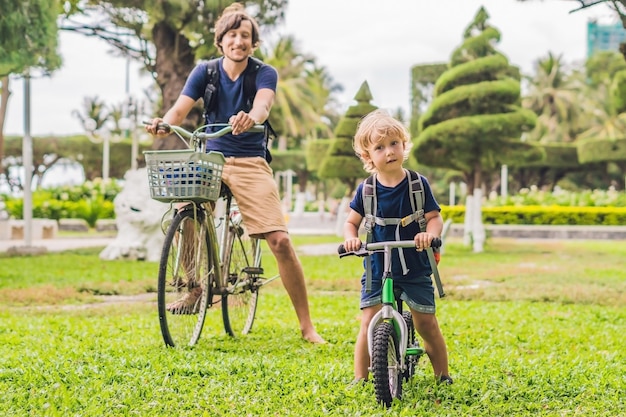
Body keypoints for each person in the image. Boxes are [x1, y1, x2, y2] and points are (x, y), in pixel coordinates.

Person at [145, 3, 324, 344]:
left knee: (280, 241)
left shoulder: (263, 72)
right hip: (210, 157)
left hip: (249, 161)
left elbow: (263, 105)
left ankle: (307, 327)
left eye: (245, 36)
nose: (238, 41)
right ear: (221, 41)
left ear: (253, 44)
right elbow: (180, 109)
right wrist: (165, 124)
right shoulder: (205, 72)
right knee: (186, 211)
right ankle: (194, 286)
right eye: (232, 35)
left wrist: (250, 118)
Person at [342, 109, 452, 384]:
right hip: (378, 267)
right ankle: (360, 378)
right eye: (379, 147)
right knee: (368, 322)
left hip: (414, 265)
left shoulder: (417, 184)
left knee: (427, 324)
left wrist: (430, 235)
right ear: (368, 157)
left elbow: (434, 217)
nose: (389, 151)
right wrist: (351, 238)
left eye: (394, 144)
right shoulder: (366, 190)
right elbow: (351, 223)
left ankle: (443, 375)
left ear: (404, 145)